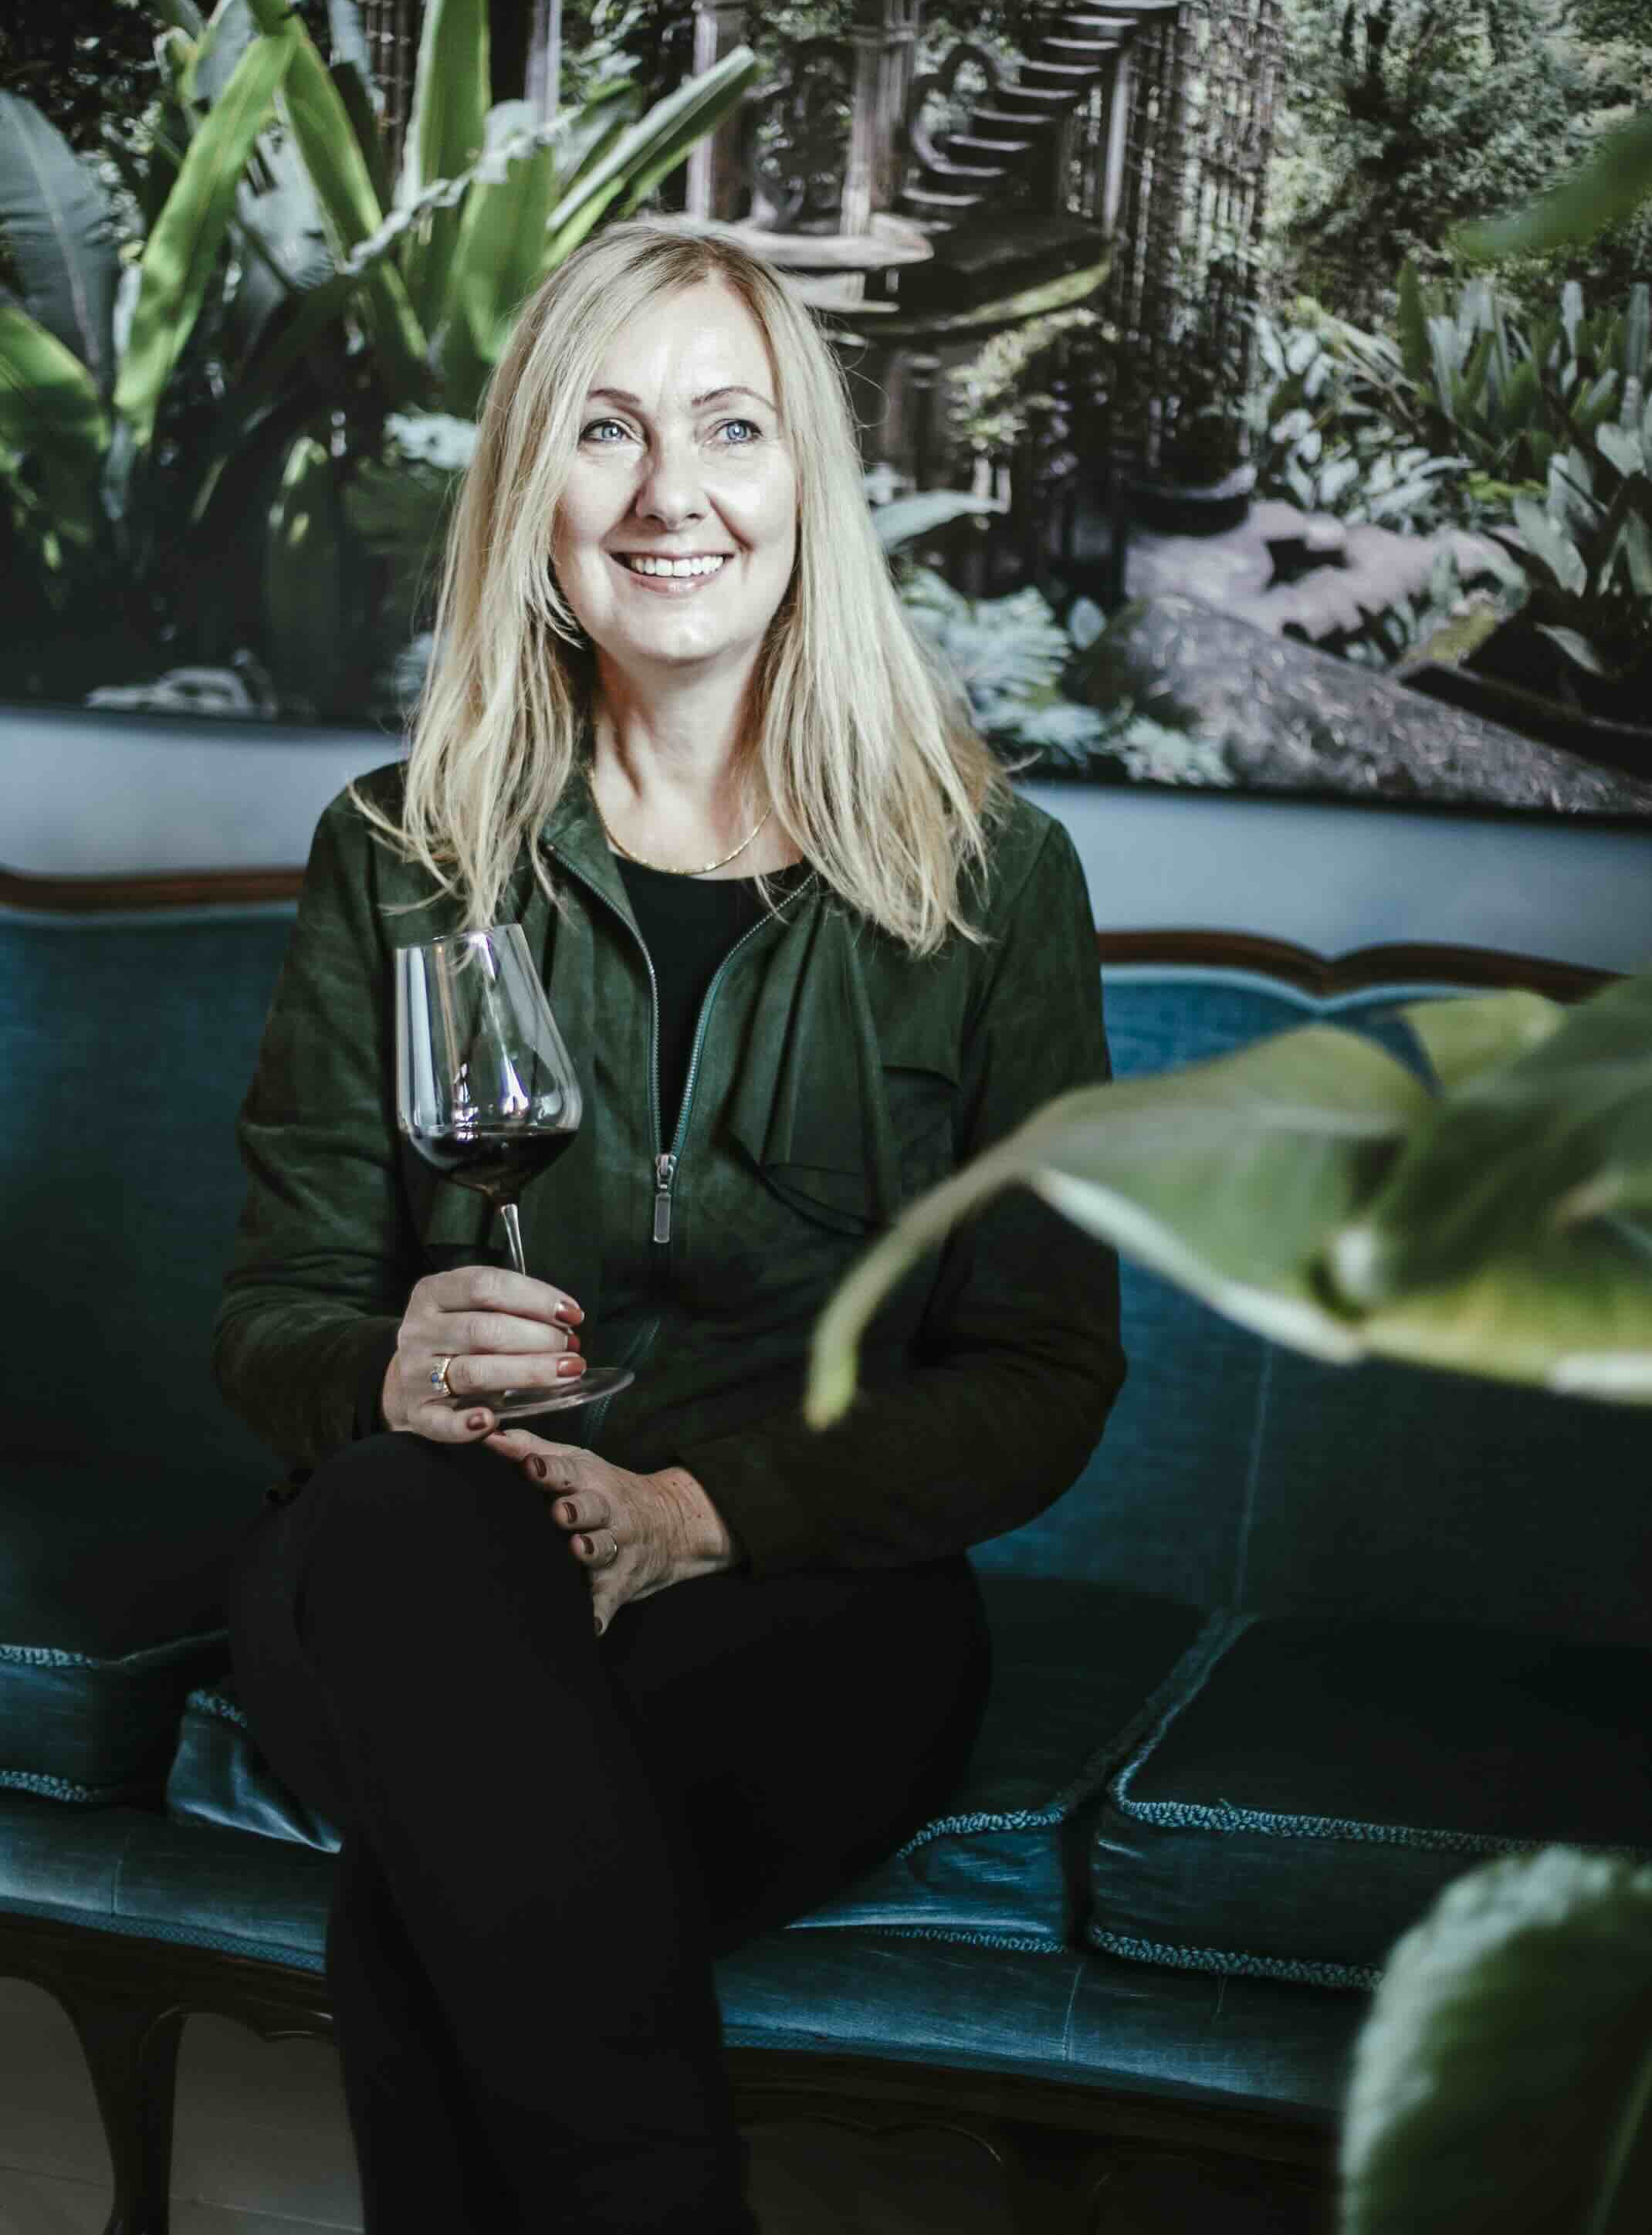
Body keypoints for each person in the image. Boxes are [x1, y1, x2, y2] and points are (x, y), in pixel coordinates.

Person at [216, 218, 1124, 2234]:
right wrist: (382, 1370)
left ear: (805, 480)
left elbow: (1046, 1370)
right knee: (406, 1540)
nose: (667, 494)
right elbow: (275, 1310)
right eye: (605, 429)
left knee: (455, 1878)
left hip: (809, 1592)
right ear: (530, 486)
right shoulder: (399, 851)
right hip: (416, 1566)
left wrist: (689, 1517)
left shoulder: (991, 879)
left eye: (729, 426)